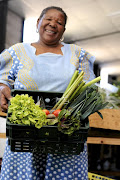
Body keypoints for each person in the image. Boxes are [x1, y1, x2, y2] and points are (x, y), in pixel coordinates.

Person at [0, 6, 95, 180]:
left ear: (63, 30)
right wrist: (2, 89)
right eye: (48, 19)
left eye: (59, 22)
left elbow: (89, 86)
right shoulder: (17, 51)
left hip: (64, 132)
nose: (53, 24)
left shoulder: (78, 54)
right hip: (25, 131)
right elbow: (3, 79)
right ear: (38, 23)